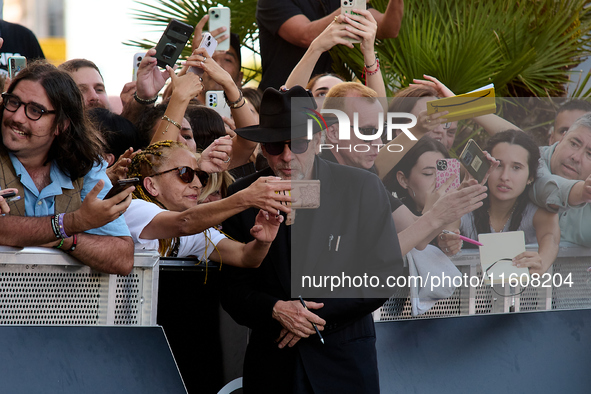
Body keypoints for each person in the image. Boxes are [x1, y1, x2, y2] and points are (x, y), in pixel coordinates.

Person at [220, 85, 407, 393]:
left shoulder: (361, 187)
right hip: (273, 367)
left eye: (299, 143)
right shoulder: (242, 195)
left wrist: (306, 314)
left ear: (319, 139)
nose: (287, 156)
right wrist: (276, 310)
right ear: (262, 148)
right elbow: (232, 290)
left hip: (342, 365)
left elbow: (384, 275)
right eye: (276, 146)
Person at [0, 61, 134, 275]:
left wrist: (63, 239)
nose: (16, 117)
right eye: (13, 102)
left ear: (61, 125)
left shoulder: (86, 166)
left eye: (35, 110)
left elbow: (122, 257)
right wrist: (73, 222)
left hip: (61, 307)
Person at [441, 130, 560, 275]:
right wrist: (446, 240)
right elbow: (449, 230)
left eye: (516, 167)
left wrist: (542, 261)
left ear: (531, 177)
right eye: (498, 165)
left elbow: (551, 237)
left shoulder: (538, 209)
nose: (505, 177)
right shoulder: (469, 202)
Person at [256, 0, 404, 90]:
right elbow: (306, 35)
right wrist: (352, 6)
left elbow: (388, 29)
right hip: (283, 96)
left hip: (330, 97)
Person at [528, 113, 591, 247]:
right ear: (562, 139)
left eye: (589, 154)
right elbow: (545, 187)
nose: (576, 157)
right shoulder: (530, 161)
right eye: (574, 144)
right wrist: (583, 191)